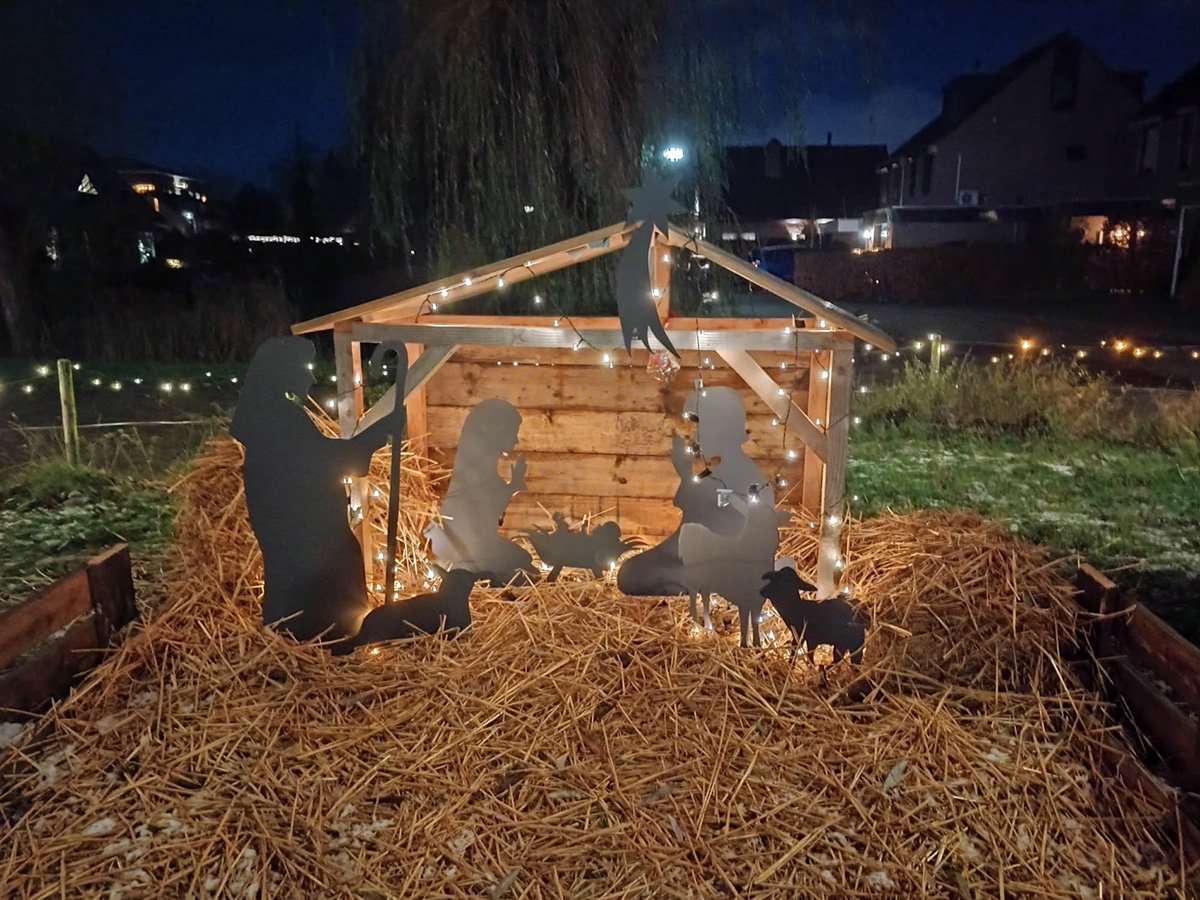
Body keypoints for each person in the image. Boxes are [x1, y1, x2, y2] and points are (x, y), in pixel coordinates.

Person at [231, 336, 393, 643]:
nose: (312, 378)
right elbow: (324, 460)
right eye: (304, 369)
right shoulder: (279, 418)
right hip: (302, 530)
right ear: (283, 372)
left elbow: (316, 455)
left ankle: (312, 633)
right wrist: (376, 435)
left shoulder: (273, 415)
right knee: (331, 573)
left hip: (294, 527)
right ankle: (328, 636)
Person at [618, 386, 776, 597]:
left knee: (634, 575)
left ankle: (694, 586)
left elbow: (736, 519)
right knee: (630, 571)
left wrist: (689, 477)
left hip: (720, 563)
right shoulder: (717, 474)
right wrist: (685, 473)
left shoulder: (748, 476)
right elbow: (690, 505)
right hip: (688, 554)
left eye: (703, 428)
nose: (696, 436)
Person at [426, 398, 535, 584]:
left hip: (475, 543)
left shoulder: (483, 465)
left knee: (524, 562)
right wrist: (511, 487)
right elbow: (485, 510)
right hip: (462, 546)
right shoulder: (474, 469)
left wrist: (513, 485)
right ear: (496, 430)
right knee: (523, 567)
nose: (516, 439)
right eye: (512, 431)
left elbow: (490, 508)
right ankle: (476, 575)